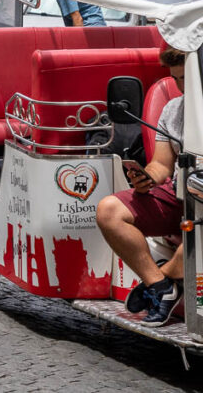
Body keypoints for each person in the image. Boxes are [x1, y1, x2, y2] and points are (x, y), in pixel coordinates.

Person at [96, 47, 187, 327]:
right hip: (181, 194)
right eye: (176, 79)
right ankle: (160, 286)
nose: (181, 86)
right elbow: (161, 165)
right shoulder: (174, 109)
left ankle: (166, 278)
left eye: (187, 78)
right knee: (108, 210)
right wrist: (145, 177)